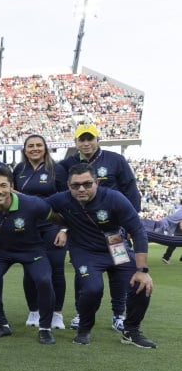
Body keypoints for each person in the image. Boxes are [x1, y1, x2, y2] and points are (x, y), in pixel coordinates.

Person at [47, 163, 156, 348]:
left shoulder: (114, 198)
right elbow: (36, 207)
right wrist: (62, 224)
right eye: (76, 185)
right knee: (92, 288)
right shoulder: (62, 200)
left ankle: (131, 331)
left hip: (115, 246)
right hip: (85, 251)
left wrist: (142, 270)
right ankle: (84, 329)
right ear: (68, 185)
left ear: (97, 182)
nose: (81, 189)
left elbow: (138, 231)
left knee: (141, 283)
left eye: (87, 184)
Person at [60, 123, 142, 333]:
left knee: (119, 272)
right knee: (83, 273)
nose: (86, 143)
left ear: (98, 139)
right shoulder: (67, 164)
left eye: (90, 139)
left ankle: (118, 315)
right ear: (75, 142)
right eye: (82, 139)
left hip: (113, 231)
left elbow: (131, 191)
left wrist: (130, 223)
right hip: (83, 232)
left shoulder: (115, 160)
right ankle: (82, 313)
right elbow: (61, 197)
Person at [0, 166, 57, 344]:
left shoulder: (32, 203)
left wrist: (64, 230)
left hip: (32, 250)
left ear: (12, 186)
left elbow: (55, 218)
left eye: (3, 185)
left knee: (44, 280)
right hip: (1, 251)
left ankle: (45, 328)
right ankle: (2, 324)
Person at [13, 134, 68, 330]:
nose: (34, 148)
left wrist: (64, 228)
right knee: (30, 270)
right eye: (30, 146)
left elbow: (67, 200)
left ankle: (57, 314)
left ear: (45, 148)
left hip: (53, 225)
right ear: (25, 149)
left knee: (56, 269)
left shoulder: (57, 169)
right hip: (27, 227)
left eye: (38, 145)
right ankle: (34, 310)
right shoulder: (19, 170)